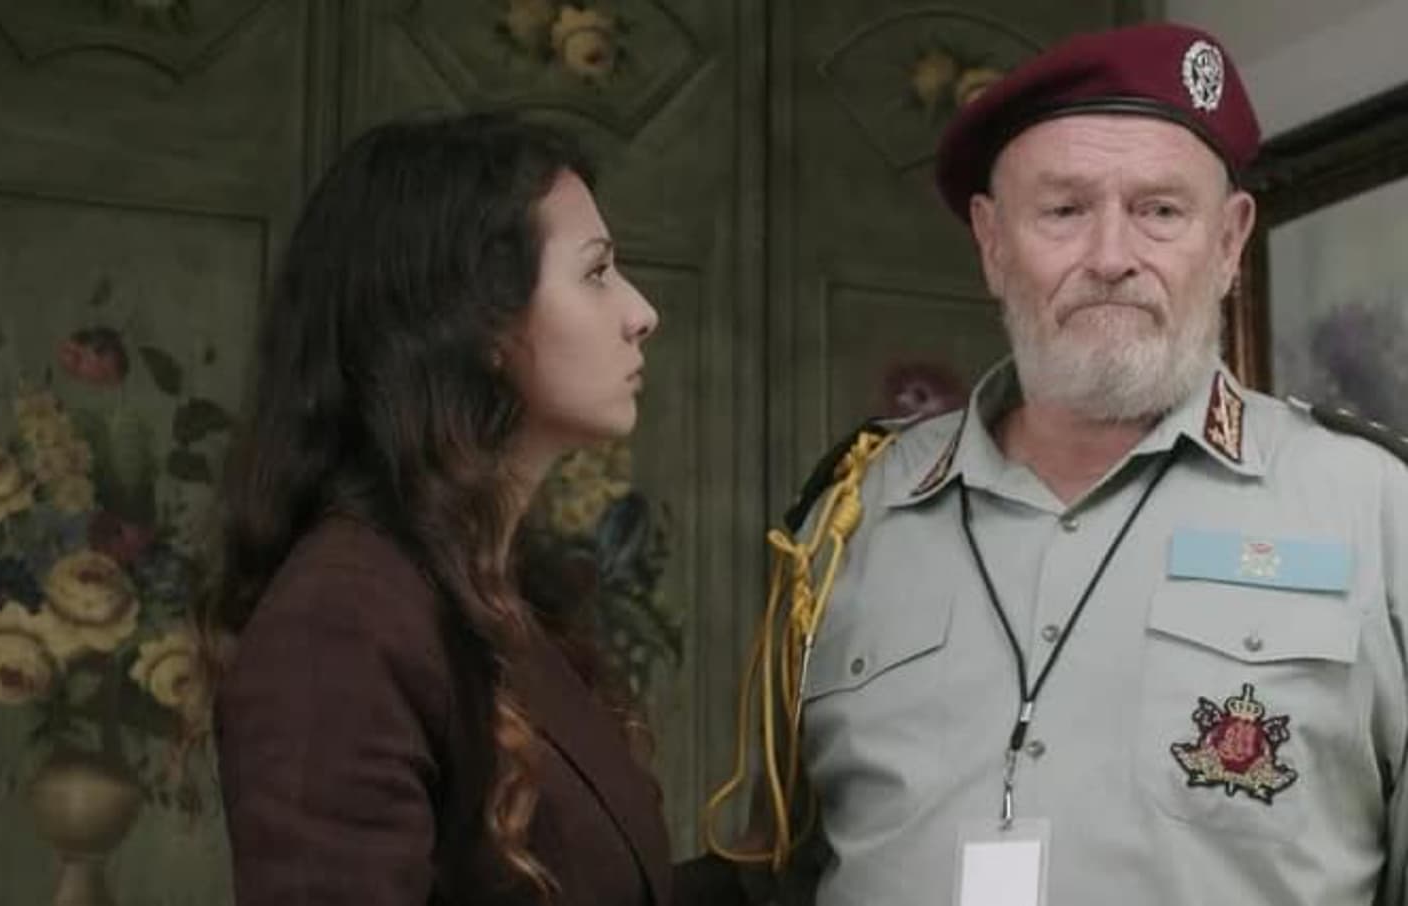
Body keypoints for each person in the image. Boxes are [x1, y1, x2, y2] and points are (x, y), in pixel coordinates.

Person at [734, 21, 1408, 905]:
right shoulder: (853, 520)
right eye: (1064, 212)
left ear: (1229, 241)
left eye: (1160, 211)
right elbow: (778, 868)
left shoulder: (1378, 513)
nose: (1112, 258)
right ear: (991, 242)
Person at [202, 111, 711, 906]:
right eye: (596, 272)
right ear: (478, 323)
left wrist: (811, 844)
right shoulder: (340, 620)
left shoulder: (488, 593)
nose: (641, 312)